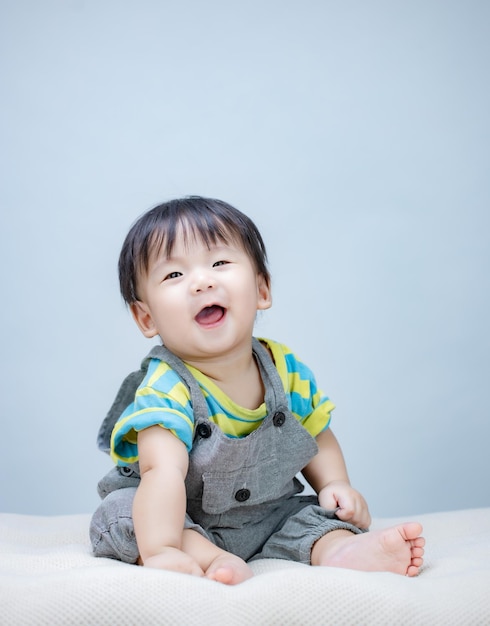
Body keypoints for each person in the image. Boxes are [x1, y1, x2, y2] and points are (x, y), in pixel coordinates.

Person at [90, 196, 425, 585]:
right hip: (177, 515)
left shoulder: (284, 370)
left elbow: (316, 431)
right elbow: (161, 471)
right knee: (122, 513)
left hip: (268, 512)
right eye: (174, 276)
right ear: (146, 317)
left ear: (262, 290)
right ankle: (206, 558)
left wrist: (335, 485)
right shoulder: (167, 387)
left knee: (317, 514)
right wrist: (162, 547)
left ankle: (340, 551)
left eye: (219, 263)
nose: (202, 281)